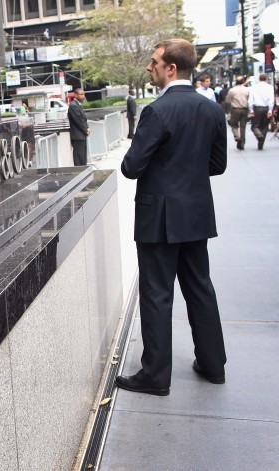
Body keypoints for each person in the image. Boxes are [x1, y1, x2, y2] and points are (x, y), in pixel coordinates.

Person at [116, 38, 227, 396]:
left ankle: (155, 376)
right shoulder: (211, 109)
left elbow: (131, 167)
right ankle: (213, 366)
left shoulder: (157, 111)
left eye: (154, 62)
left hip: (158, 219)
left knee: (157, 294)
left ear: (171, 68)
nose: (149, 67)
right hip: (195, 214)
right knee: (200, 289)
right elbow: (217, 164)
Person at [248, 73, 275, 150]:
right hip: (266, 108)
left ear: (259, 78)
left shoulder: (254, 87)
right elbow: (271, 100)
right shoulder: (270, 87)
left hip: (257, 108)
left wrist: (251, 110)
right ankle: (261, 143)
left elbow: (250, 100)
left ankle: (259, 136)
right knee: (265, 126)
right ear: (266, 79)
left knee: (254, 126)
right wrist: (270, 110)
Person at [226, 76, 250, 150]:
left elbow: (228, 101)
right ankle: (242, 143)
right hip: (244, 109)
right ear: (243, 81)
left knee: (234, 125)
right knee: (243, 127)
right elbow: (250, 100)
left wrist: (228, 111)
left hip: (235, 109)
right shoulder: (247, 90)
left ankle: (237, 136)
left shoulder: (232, 90)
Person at [67, 88, 90, 165]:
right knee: (79, 157)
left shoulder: (77, 105)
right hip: (77, 135)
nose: (83, 96)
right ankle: (80, 170)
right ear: (76, 95)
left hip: (81, 135)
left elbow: (83, 118)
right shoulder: (73, 105)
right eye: (81, 94)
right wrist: (85, 130)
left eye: (84, 94)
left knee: (82, 157)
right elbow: (78, 120)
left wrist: (87, 127)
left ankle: (83, 169)